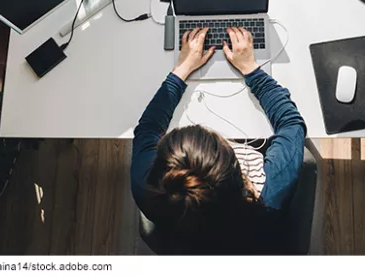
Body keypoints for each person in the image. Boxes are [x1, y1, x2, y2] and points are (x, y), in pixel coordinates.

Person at [131, 26, 306, 254]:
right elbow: (292, 124)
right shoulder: (267, 198)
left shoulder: (145, 185)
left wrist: (182, 68)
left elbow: (148, 128)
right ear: (238, 167)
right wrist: (252, 71)